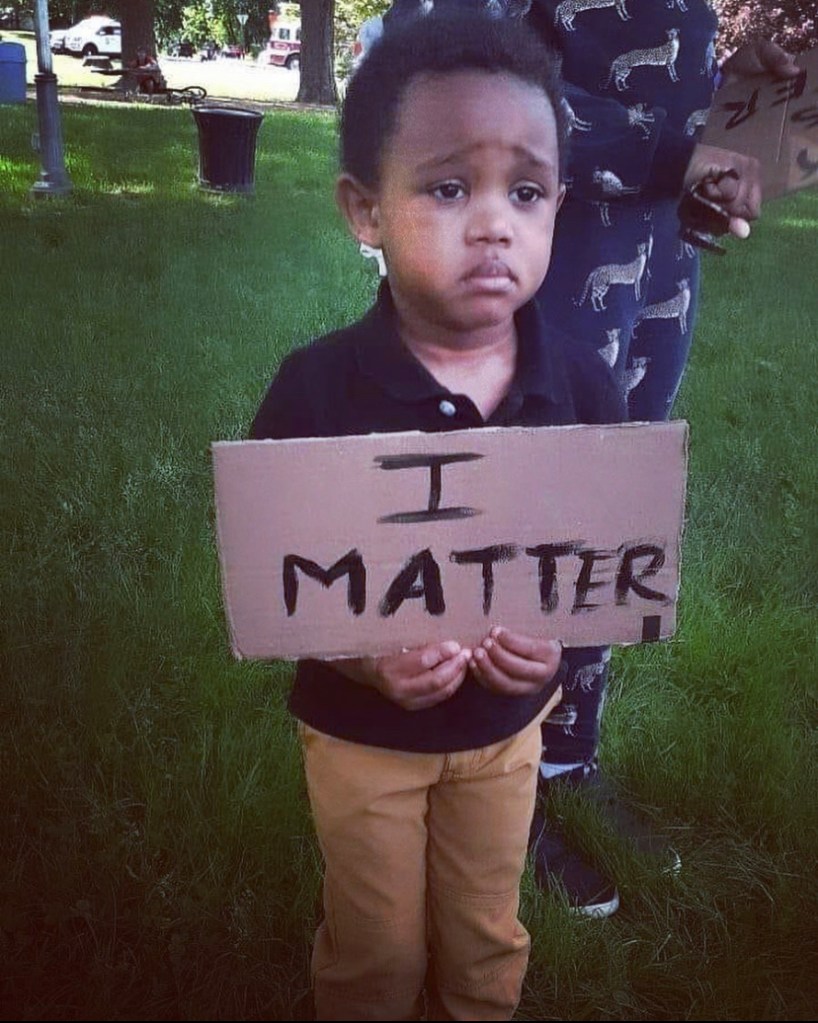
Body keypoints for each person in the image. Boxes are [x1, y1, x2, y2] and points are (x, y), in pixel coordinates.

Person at [376, 0, 799, 919]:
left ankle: (562, 752)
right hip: (533, 252)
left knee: (611, 510)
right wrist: (671, 152)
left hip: (656, 255)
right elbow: (443, 68)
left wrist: (735, 106)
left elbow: (633, 62)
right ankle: (484, 780)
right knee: (511, 518)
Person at [250, 13, 626, 1020]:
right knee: (375, 948)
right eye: (449, 188)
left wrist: (552, 643)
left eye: (527, 192)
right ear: (365, 211)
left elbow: (592, 560)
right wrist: (363, 658)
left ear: (558, 207)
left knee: (486, 931)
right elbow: (277, 577)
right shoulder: (316, 391)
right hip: (363, 739)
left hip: (506, 731)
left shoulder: (583, 389)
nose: (495, 223)